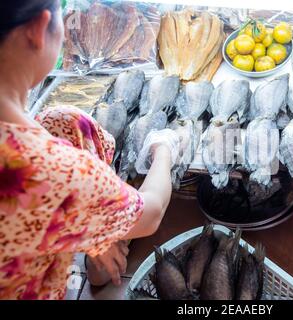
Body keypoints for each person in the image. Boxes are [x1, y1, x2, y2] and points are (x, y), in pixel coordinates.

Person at [0, 0, 177, 299]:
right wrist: (164, 148)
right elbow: (152, 213)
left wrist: (93, 229)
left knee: (68, 121)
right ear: (38, 29)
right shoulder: (52, 171)